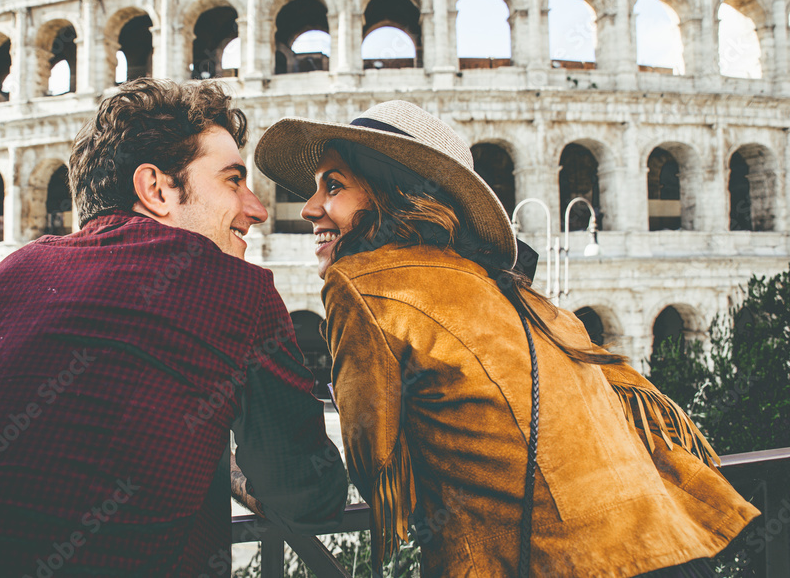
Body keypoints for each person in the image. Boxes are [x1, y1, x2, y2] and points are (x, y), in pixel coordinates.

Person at [254, 101, 760, 577]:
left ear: (393, 193)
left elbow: (375, 465)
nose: (309, 207)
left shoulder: (363, 283)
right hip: (664, 542)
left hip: (554, 560)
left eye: (334, 186)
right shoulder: (505, 286)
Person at [0, 78, 348, 578]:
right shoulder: (232, 288)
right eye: (232, 180)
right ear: (157, 189)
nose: (257, 208)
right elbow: (308, 492)